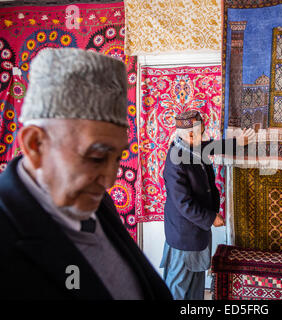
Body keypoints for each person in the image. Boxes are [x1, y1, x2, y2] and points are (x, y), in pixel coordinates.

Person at [0, 48, 172, 300]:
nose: (110, 180)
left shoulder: (95, 202)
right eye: (96, 157)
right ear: (36, 144)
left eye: (118, 157)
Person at [160, 110, 255, 300]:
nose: (197, 137)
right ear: (181, 135)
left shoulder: (192, 147)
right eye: (191, 134)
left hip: (196, 233)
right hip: (183, 235)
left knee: (195, 285)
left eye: (199, 132)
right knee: (178, 287)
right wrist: (211, 217)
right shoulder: (175, 160)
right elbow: (183, 203)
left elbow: (212, 146)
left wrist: (238, 143)